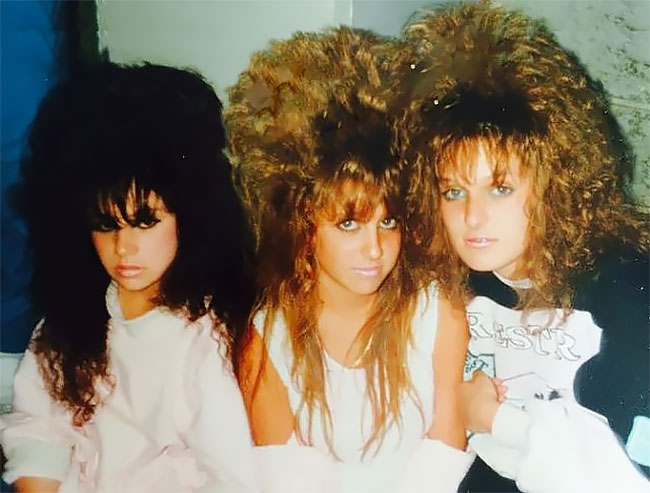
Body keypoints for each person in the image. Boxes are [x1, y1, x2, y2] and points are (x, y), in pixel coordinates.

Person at [397, 1, 650, 491]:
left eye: (500, 188)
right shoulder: (444, 278)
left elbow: (625, 475)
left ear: (555, 181)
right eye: (454, 191)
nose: (472, 217)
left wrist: (498, 422)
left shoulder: (628, 289)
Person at [226, 27, 481, 493]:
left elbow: (445, 447)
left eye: (388, 223)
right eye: (349, 224)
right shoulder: (267, 335)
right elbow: (283, 478)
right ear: (303, 224)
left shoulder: (436, 310)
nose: (375, 248)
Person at [0, 62, 258, 492]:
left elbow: (231, 477)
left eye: (144, 223)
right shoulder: (71, 323)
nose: (124, 246)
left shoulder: (204, 340)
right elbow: (37, 427)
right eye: (106, 224)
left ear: (190, 218)